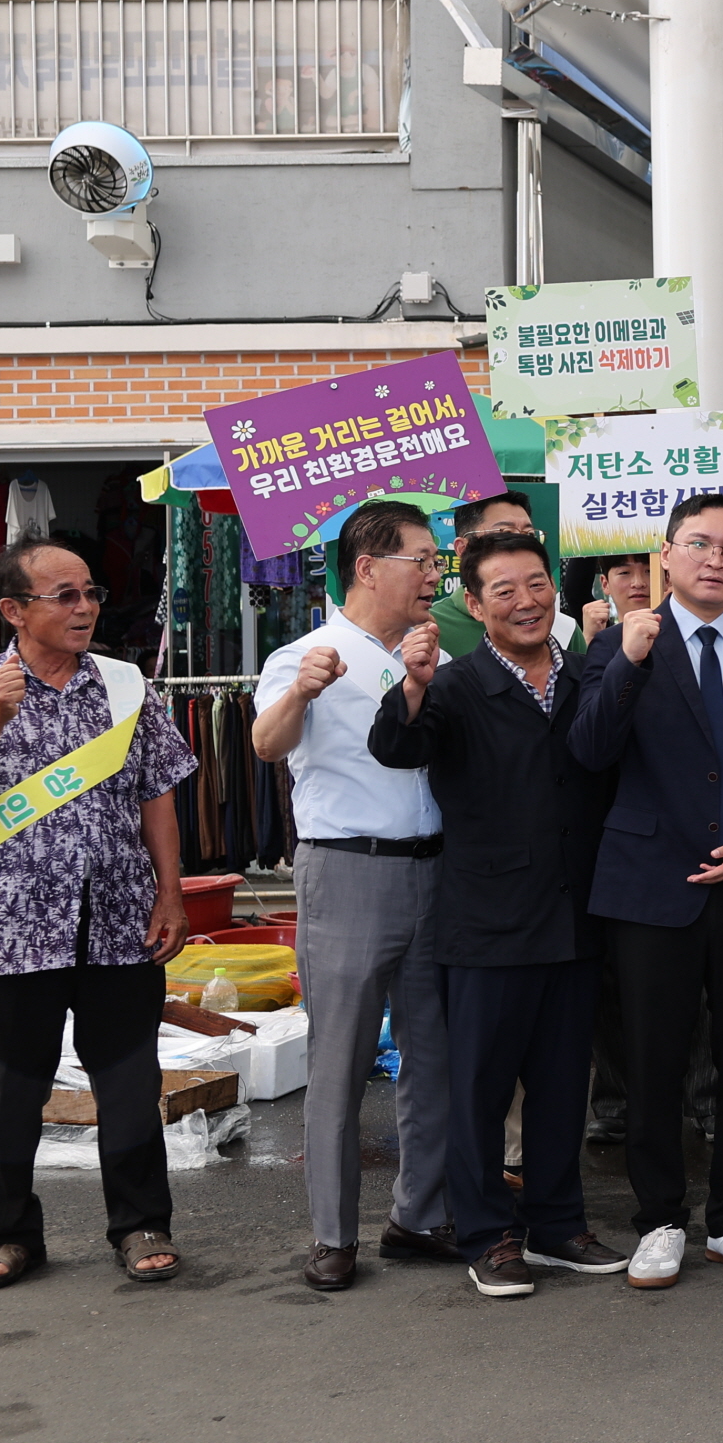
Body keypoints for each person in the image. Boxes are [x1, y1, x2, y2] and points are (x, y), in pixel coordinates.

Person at [570, 494, 723, 1288]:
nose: (716, 559)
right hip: (654, 886)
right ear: (666, 556)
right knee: (652, 1060)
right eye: (700, 544)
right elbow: (589, 751)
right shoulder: (621, 646)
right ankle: (660, 1220)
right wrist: (630, 667)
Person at [369, 528, 625, 1298]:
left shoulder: (586, 677)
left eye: (537, 585)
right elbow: (395, 747)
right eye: (505, 591)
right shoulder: (451, 686)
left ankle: (556, 1224)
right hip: (486, 921)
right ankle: (488, 1235)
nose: (527, 602)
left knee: (559, 1084)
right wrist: (411, 684)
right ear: (474, 606)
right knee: (479, 1090)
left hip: (575, 915)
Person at [0, 538, 194, 1289]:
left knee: (128, 1080)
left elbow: (158, 789)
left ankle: (142, 1222)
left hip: (118, 919)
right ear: (14, 611)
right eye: (65, 596)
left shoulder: (123, 685)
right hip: (11, 933)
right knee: (11, 1090)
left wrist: (171, 891)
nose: (84, 608)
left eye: (91, 594)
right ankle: (11, 1233)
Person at [253, 500, 458, 1290]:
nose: (434, 573)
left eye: (437, 561)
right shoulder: (306, 653)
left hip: (434, 869)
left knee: (430, 1056)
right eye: (422, 558)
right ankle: (334, 1235)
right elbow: (266, 744)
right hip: (345, 871)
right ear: (368, 567)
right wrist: (302, 692)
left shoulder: (431, 653)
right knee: (338, 1060)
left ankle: (418, 1214)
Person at [427, 492, 580, 659]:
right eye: (504, 532)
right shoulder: (431, 627)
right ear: (463, 548)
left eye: (529, 535)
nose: (519, 543)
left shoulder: (564, 628)